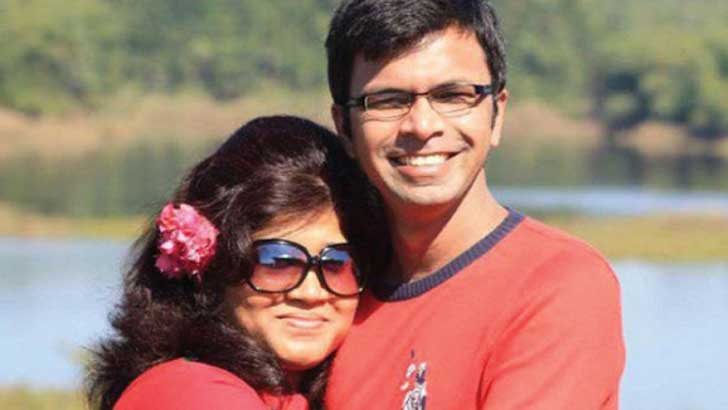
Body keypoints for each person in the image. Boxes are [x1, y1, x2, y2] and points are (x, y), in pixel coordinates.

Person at [324, 1, 626, 409]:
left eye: (453, 95)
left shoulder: (556, 286)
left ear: (497, 114)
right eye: (389, 100)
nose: (422, 126)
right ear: (344, 127)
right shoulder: (323, 297)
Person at [84, 116, 386, 410]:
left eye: (337, 263)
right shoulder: (191, 392)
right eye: (278, 261)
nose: (310, 293)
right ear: (214, 264)